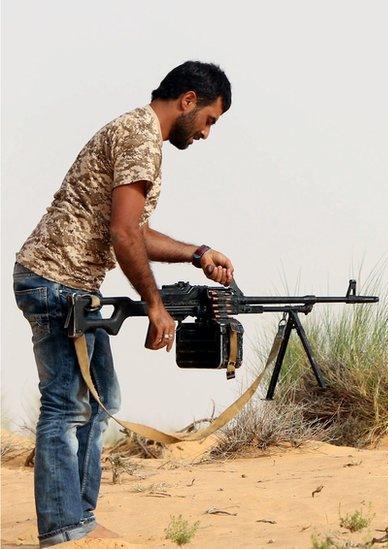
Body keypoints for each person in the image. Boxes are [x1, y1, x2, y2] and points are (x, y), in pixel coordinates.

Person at [13, 61, 236, 546]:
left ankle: (80, 520)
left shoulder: (140, 136)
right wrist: (155, 305)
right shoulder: (139, 135)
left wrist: (197, 254)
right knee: (66, 406)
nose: (206, 133)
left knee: (101, 402)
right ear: (189, 100)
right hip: (55, 282)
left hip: (71, 285)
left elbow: (135, 229)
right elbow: (123, 232)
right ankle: (64, 528)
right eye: (210, 120)